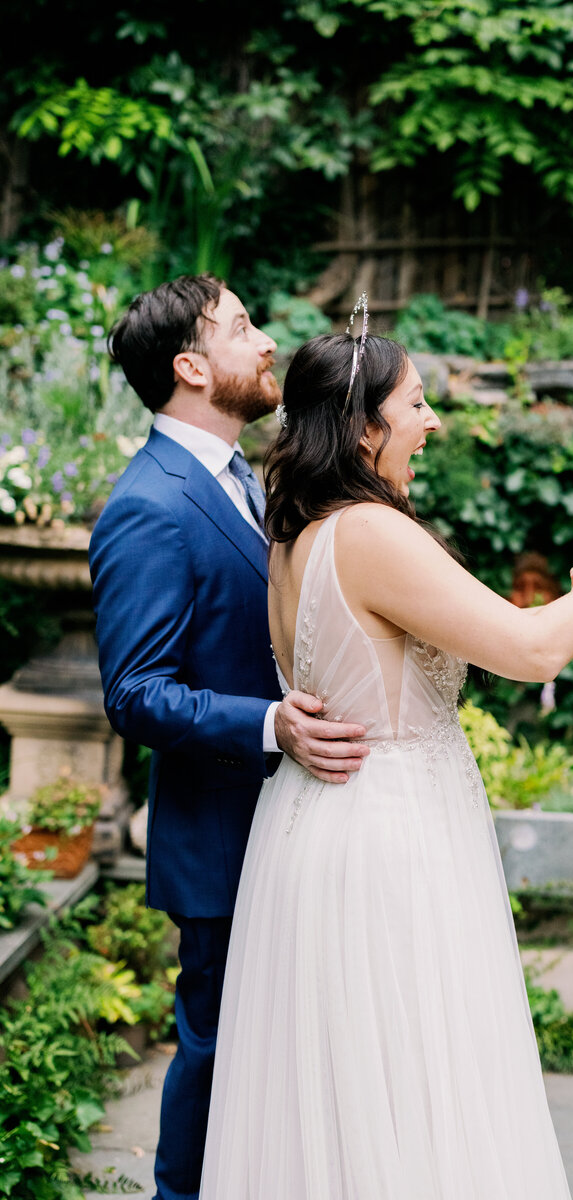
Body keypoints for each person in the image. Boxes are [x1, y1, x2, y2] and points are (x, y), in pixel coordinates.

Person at [199, 317, 573, 1199]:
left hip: (319, 828)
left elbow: (459, 648)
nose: (435, 422)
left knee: (346, 1098)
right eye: (417, 403)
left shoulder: (297, 533)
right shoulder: (370, 533)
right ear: (366, 428)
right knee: (416, 1083)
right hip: (391, 839)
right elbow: (528, 654)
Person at [88, 275, 369, 1200]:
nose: (265, 340)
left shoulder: (247, 477)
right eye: (243, 326)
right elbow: (135, 693)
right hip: (221, 836)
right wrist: (270, 725)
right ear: (191, 367)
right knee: (214, 1049)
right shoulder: (149, 506)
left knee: (278, 1056)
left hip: (288, 823)